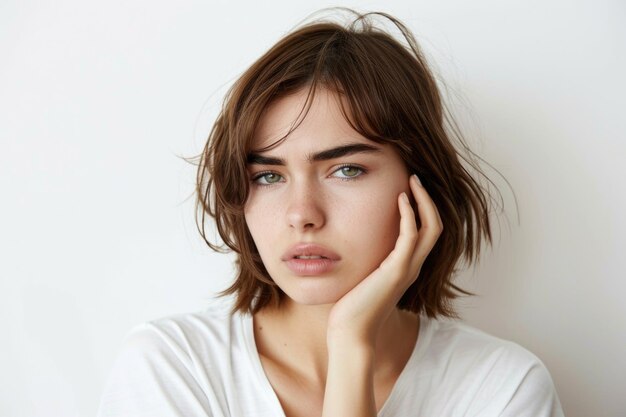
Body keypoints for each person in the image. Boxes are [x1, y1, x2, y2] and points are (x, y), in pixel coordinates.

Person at [97, 8, 565, 417]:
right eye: (268, 176)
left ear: (420, 185)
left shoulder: (500, 389)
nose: (302, 214)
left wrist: (350, 344)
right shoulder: (173, 369)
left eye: (345, 170)